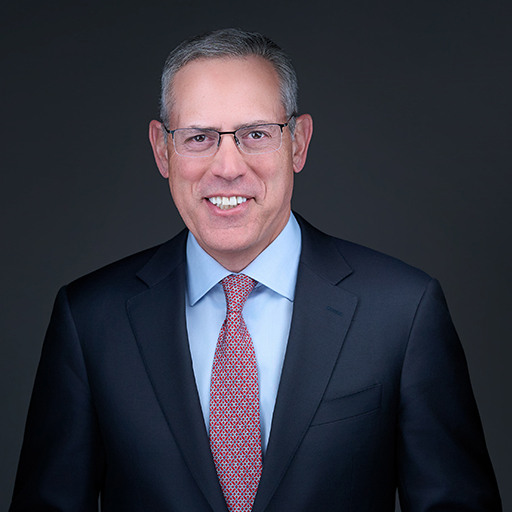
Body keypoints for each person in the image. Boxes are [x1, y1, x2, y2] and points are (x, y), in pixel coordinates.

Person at [9, 28, 501, 512]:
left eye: (256, 135)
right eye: (199, 137)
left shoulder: (401, 311)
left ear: (298, 143)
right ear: (162, 150)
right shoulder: (90, 319)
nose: (228, 167)